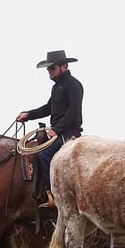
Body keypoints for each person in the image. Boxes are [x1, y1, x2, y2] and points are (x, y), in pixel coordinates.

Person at [16, 50, 84, 208]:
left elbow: (74, 110)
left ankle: (53, 196)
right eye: (48, 69)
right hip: (58, 130)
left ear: (64, 66)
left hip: (69, 132)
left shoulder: (73, 84)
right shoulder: (57, 87)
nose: (49, 72)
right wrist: (28, 114)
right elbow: (48, 108)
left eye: (52, 68)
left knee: (44, 154)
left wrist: (57, 130)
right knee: (31, 150)